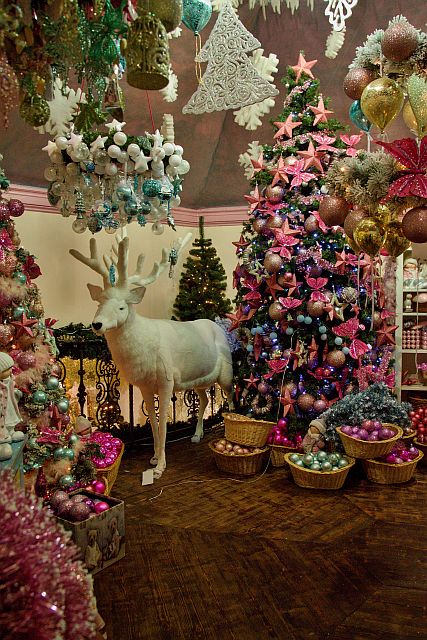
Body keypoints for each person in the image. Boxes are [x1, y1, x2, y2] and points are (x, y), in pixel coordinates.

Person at [0, 352, 25, 461]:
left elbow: (11, 391)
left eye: (11, 368)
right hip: (2, 410)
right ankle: (2, 442)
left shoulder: (9, 380)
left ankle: (11, 432)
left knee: (9, 419)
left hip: (9, 406)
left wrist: (16, 394)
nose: (11, 371)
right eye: (7, 369)